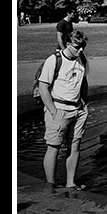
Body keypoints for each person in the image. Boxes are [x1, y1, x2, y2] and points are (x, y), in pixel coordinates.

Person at [37, 29, 89, 190]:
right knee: (54, 147)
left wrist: (84, 104)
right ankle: (50, 184)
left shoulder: (82, 59)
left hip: (78, 110)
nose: (80, 50)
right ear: (67, 44)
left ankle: (70, 183)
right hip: (59, 108)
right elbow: (43, 88)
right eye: (77, 46)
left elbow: (84, 82)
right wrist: (53, 110)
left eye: (83, 46)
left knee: (74, 146)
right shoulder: (54, 60)